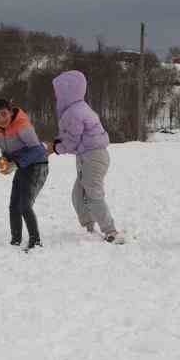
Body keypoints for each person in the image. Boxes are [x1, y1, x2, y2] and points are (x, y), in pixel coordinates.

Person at [50, 70, 121, 243]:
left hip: (93, 158)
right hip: (88, 157)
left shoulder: (74, 112)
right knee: (78, 194)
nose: (55, 95)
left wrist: (56, 148)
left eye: (57, 91)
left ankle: (111, 231)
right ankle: (90, 228)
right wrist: (57, 143)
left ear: (67, 91)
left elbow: (72, 141)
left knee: (93, 194)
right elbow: (71, 136)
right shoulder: (77, 109)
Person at [0, 98, 49, 251]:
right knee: (14, 206)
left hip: (37, 166)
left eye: (4, 114)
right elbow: (6, 153)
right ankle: (15, 241)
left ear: (10, 111)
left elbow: (38, 150)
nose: (1, 119)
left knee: (24, 205)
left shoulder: (22, 125)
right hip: (22, 167)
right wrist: (3, 160)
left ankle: (35, 242)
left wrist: (15, 164)